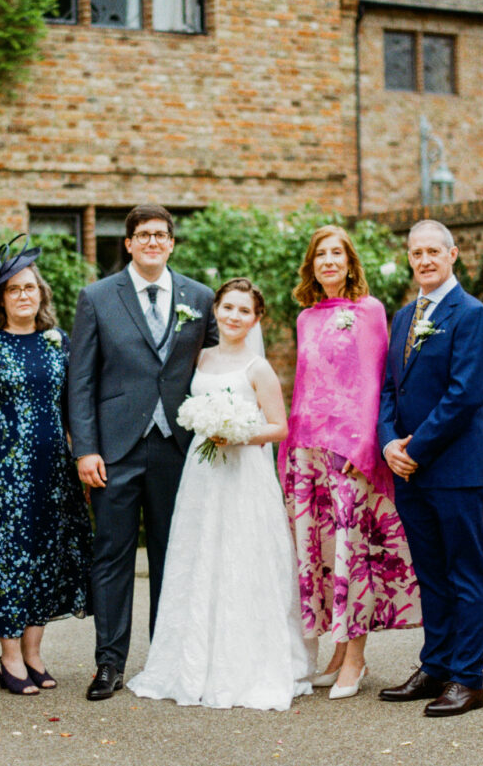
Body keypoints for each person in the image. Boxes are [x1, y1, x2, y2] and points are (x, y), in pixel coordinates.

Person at [128, 278, 313, 711]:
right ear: (215, 311)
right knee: (200, 556)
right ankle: (193, 660)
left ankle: (246, 664)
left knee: (243, 557)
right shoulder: (201, 357)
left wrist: (238, 432)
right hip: (203, 474)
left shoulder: (258, 369)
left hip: (244, 474)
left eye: (244, 311)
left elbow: (279, 427)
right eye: (228, 307)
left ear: (256, 319)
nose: (234, 316)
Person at [67, 203, 219, 701]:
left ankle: (166, 659)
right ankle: (108, 663)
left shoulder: (198, 296)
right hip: (114, 450)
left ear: (172, 243)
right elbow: (81, 379)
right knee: (111, 555)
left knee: (173, 556)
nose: (153, 242)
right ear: (128, 243)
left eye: (162, 234)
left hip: (177, 446)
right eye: (143, 235)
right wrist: (86, 448)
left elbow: (216, 366)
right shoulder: (96, 298)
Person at [279, 225, 420, 700]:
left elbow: (375, 381)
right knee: (319, 557)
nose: (329, 261)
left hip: (349, 452)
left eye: (337, 252)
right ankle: (336, 651)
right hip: (307, 451)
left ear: (350, 261)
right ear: (312, 265)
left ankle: (355, 659)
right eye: (320, 254)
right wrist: (289, 451)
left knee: (351, 556)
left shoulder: (370, 310)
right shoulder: (306, 317)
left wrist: (365, 451)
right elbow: (301, 385)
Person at [0, 238, 93, 695]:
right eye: (13, 289)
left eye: (30, 288)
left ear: (41, 294)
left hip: (52, 470)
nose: (23, 296)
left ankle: (35, 655)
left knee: (44, 559)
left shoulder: (59, 343)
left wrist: (80, 462)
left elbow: (73, 410)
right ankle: (9, 657)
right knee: (7, 560)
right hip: (2, 472)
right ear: (1, 298)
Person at [376, 219, 483, 718]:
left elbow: (465, 395)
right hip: (409, 471)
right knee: (430, 575)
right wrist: (388, 444)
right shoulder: (404, 317)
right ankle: (436, 666)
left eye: (433, 251)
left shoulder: (473, 315)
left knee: (466, 573)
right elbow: (388, 390)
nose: (423, 260)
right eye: (416, 252)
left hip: (455, 469)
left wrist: (415, 448)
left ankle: (467, 680)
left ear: (453, 255)